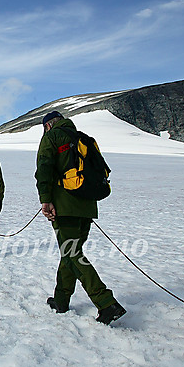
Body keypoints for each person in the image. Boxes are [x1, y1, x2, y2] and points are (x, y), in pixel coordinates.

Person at [36, 111, 126, 324]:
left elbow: (44, 169)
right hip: (87, 205)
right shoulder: (83, 138)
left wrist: (46, 200)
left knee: (72, 253)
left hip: (64, 206)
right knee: (71, 252)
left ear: (48, 126)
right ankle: (61, 300)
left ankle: (106, 302)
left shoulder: (52, 138)